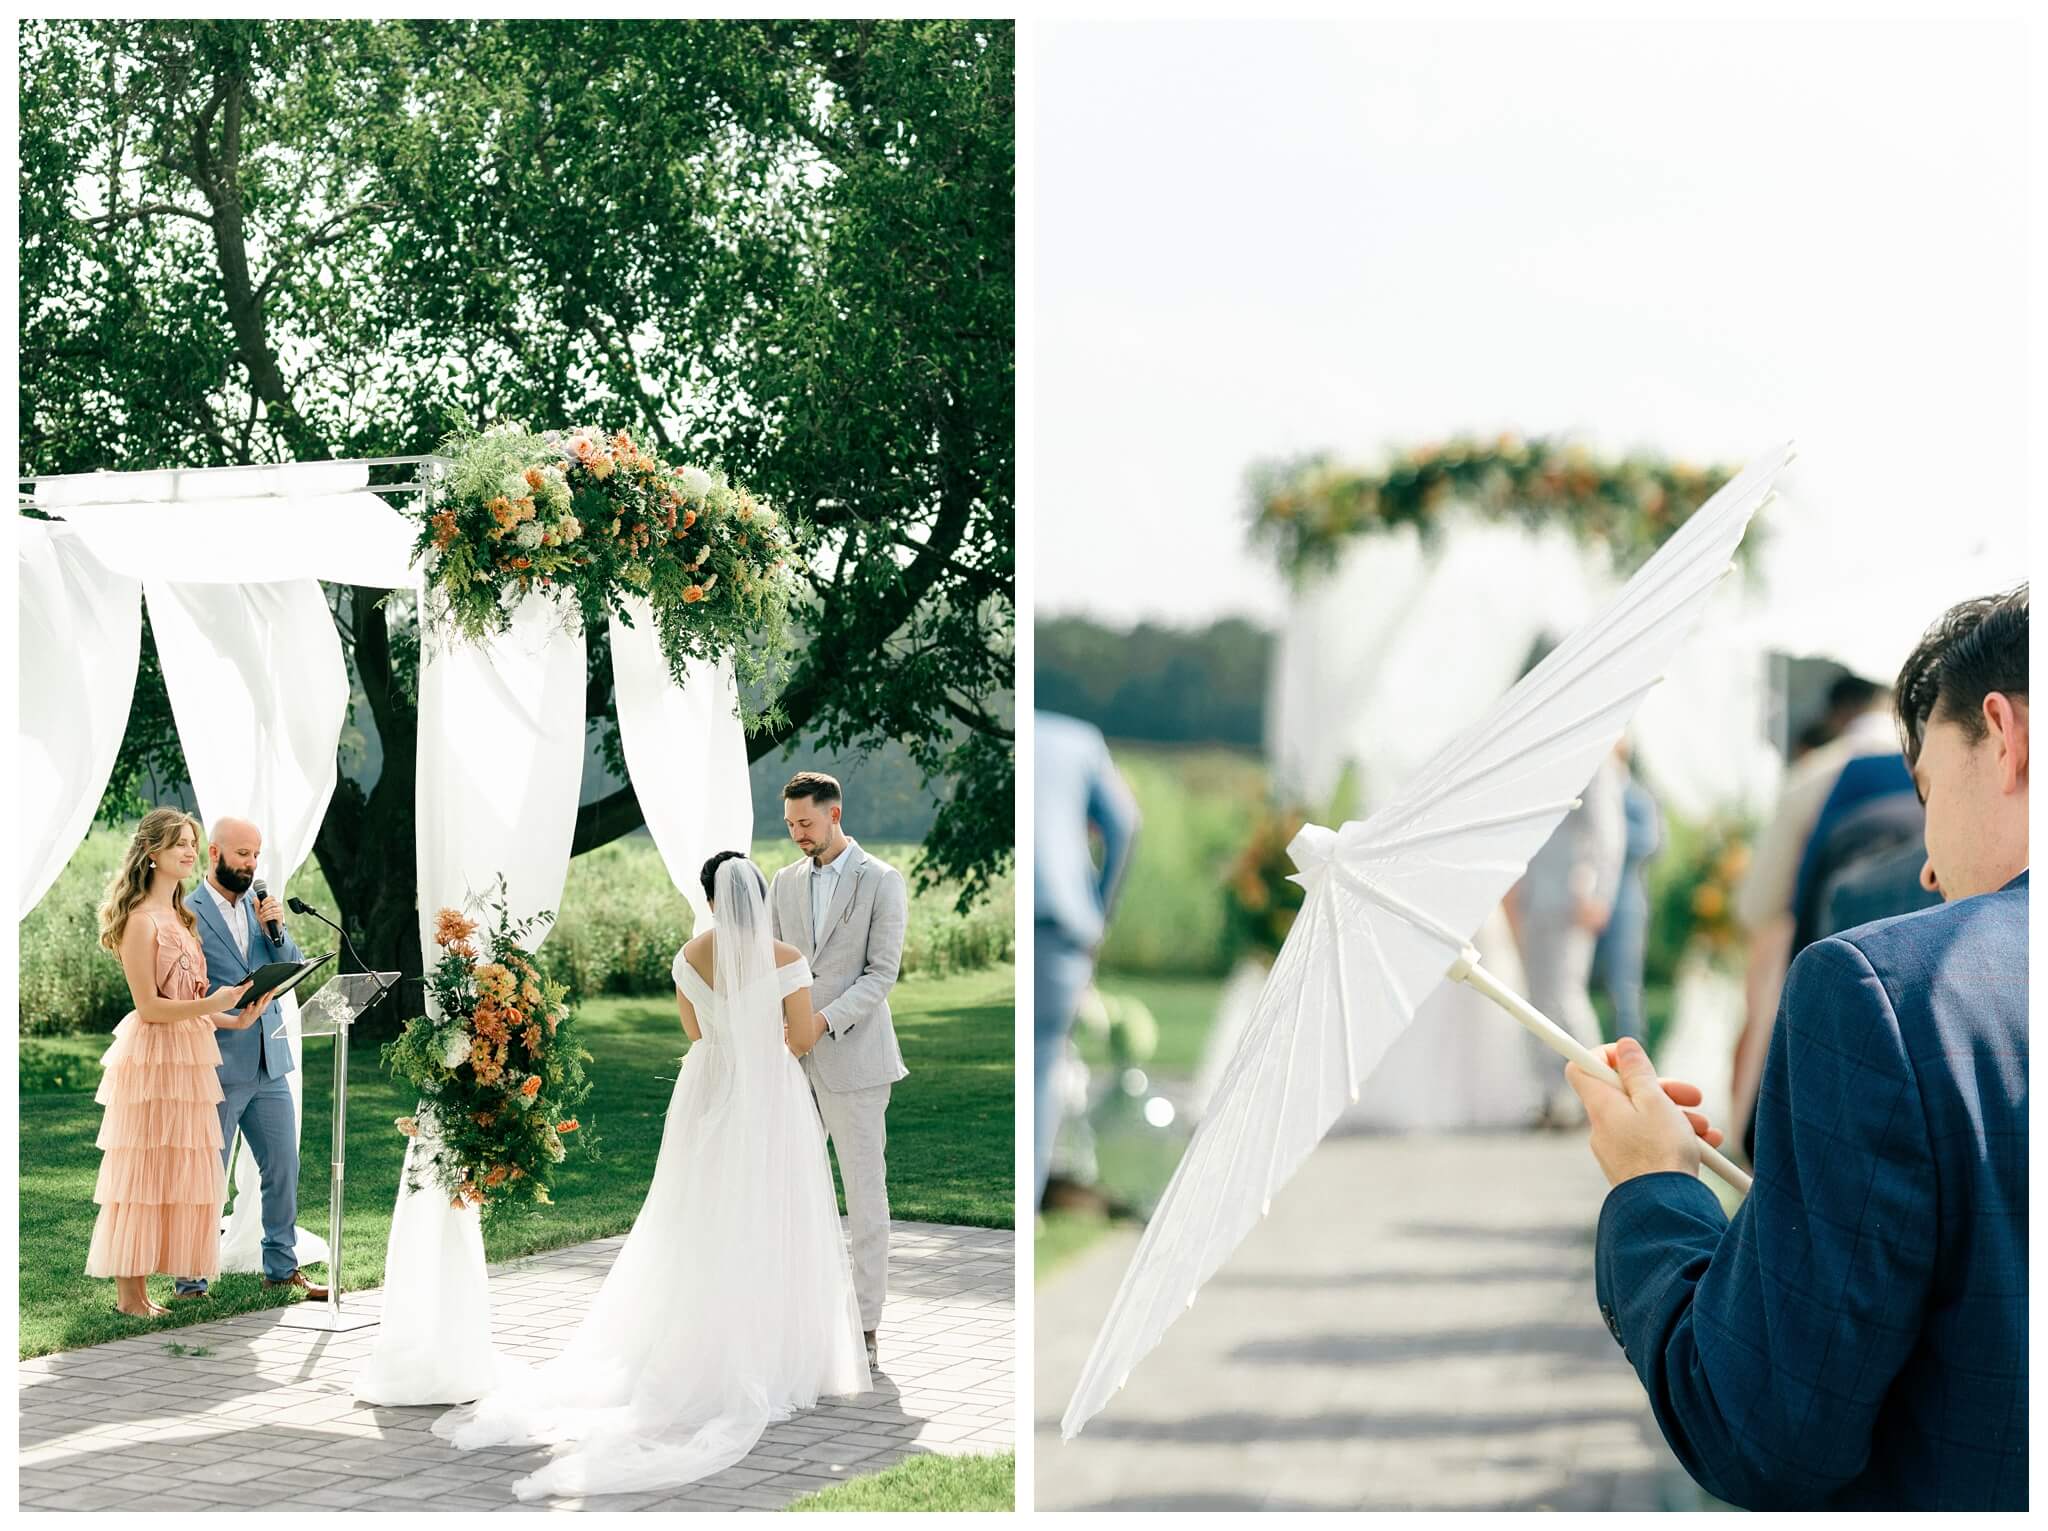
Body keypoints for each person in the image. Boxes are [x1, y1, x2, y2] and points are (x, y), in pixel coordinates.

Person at [1567, 585, 2027, 1509]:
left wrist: (1655, 1187)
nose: (1929, 865)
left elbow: (1763, 1428)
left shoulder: (1889, 994)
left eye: (1930, 789)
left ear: (2004, 734)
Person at [434, 853, 869, 1500]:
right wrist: (768, 1032)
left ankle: (696, 1349)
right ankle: (776, 1354)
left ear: (712, 900)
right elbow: (802, 1036)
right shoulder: (785, 956)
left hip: (707, 1087)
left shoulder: (689, 956)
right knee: (772, 1214)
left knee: (698, 1219)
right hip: (769, 1095)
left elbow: (694, 1030)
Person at [87, 809, 265, 1317]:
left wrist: (232, 1019)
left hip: (188, 1057)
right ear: (152, 854)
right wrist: (214, 1004)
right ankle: (129, 1297)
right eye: (177, 845)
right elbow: (149, 1007)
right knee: (141, 1171)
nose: (189, 851)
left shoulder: (180, 918)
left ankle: (142, 1293)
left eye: (191, 842)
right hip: (152, 1060)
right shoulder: (141, 921)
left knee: (172, 1171)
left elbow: (189, 999)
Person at [769, 772, 908, 1369]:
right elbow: (773, 965)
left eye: (806, 822)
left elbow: (881, 974)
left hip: (856, 1059)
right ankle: (794, 1319)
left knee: (864, 1193)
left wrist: (821, 1022)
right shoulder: (782, 882)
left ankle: (867, 1326)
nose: (798, 834)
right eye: (791, 824)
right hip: (791, 1065)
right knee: (787, 1190)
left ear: (834, 814)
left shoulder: (881, 880)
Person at [1727, 673, 1899, 1148]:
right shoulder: (1946, 765)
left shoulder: (1817, 774)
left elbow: (1758, 904)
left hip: (1830, 976)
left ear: (1838, 715)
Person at [172, 817, 327, 1302]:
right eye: (242, 854)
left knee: (283, 1166)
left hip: (269, 1061)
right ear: (214, 853)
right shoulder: (187, 912)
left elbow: (291, 965)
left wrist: (276, 932)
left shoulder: (263, 910)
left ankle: (281, 1268)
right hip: (216, 1063)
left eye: (256, 855)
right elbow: (184, 988)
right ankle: (191, 1282)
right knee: (206, 1175)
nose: (251, 864)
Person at [1033, 712, 1139, 1207]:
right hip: (1059, 921)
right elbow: (1125, 825)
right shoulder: (1078, 740)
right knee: (1039, 1068)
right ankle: (1029, 1206)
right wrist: (1100, 908)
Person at [1508, 746, 1625, 1124]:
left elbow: (1608, 834)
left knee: (1567, 999)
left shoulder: (1593, 755)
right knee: (1537, 1002)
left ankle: (1597, 1094)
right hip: (1534, 898)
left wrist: (1600, 893)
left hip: (1572, 901)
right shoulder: (1535, 760)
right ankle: (1551, 1096)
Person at [1592, 736, 1663, 1042]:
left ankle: (1631, 1052)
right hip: (1589, 901)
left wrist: (1611, 831)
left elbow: (1650, 842)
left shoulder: (1636, 797)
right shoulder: (1591, 796)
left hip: (1626, 903)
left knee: (1624, 986)